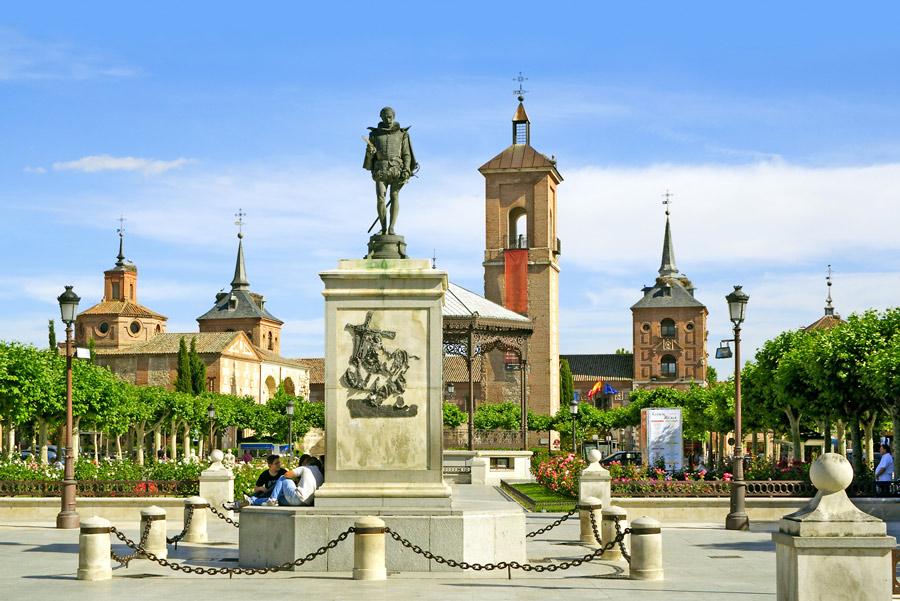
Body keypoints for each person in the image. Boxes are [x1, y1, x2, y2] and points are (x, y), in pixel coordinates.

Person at [249, 454, 324, 507]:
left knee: (283, 477)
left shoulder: (305, 468)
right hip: (306, 503)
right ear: (269, 465)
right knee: (280, 499)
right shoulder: (320, 475)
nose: (279, 464)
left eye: (279, 462)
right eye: (276, 463)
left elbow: (287, 475)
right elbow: (256, 488)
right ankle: (252, 500)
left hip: (297, 497)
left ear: (308, 464)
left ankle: (272, 499)